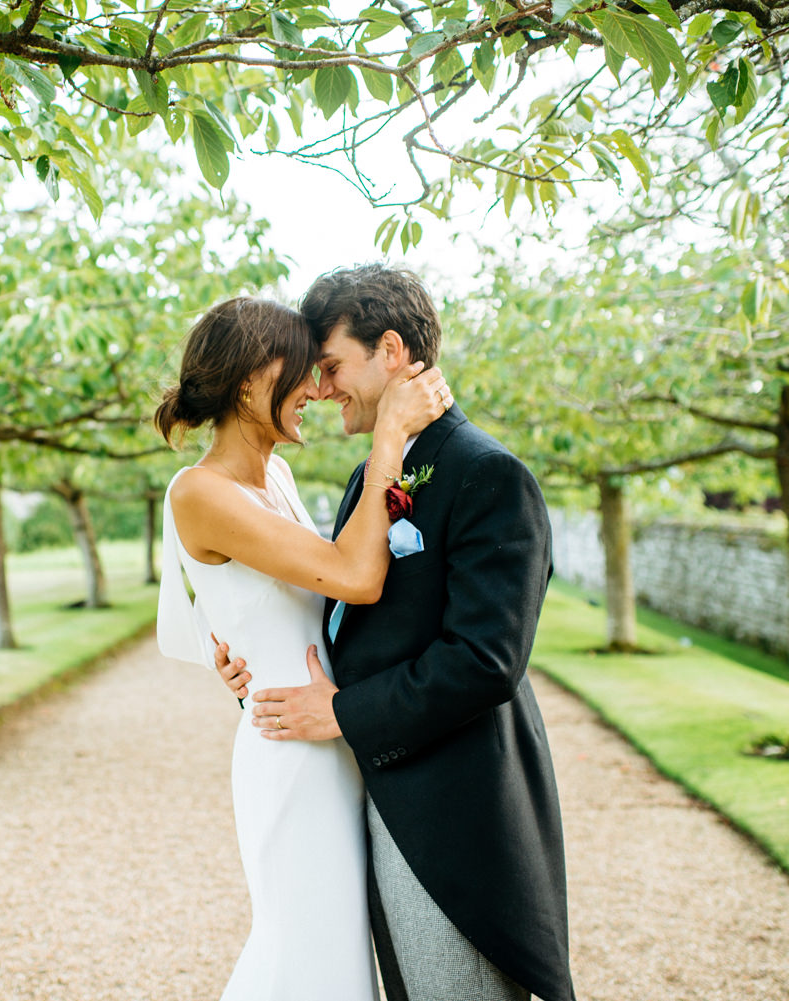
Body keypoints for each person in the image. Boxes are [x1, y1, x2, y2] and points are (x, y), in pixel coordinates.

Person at [214, 265, 576, 1001]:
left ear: (389, 350)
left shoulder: (488, 474)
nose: (320, 388)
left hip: (453, 822)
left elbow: (484, 660)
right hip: (379, 802)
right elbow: (345, 610)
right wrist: (257, 660)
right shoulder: (369, 479)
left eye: (332, 366)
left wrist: (341, 712)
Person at [154, 295, 450, 1000]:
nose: (319, 391)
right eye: (304, 373)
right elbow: (354, 574)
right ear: (253, 380)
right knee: (303, 949)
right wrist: (390, 439)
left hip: (333, 739)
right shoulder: (200, 491)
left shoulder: (276, 478)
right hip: (287, 752)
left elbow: (312, 601)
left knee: (339, 953)